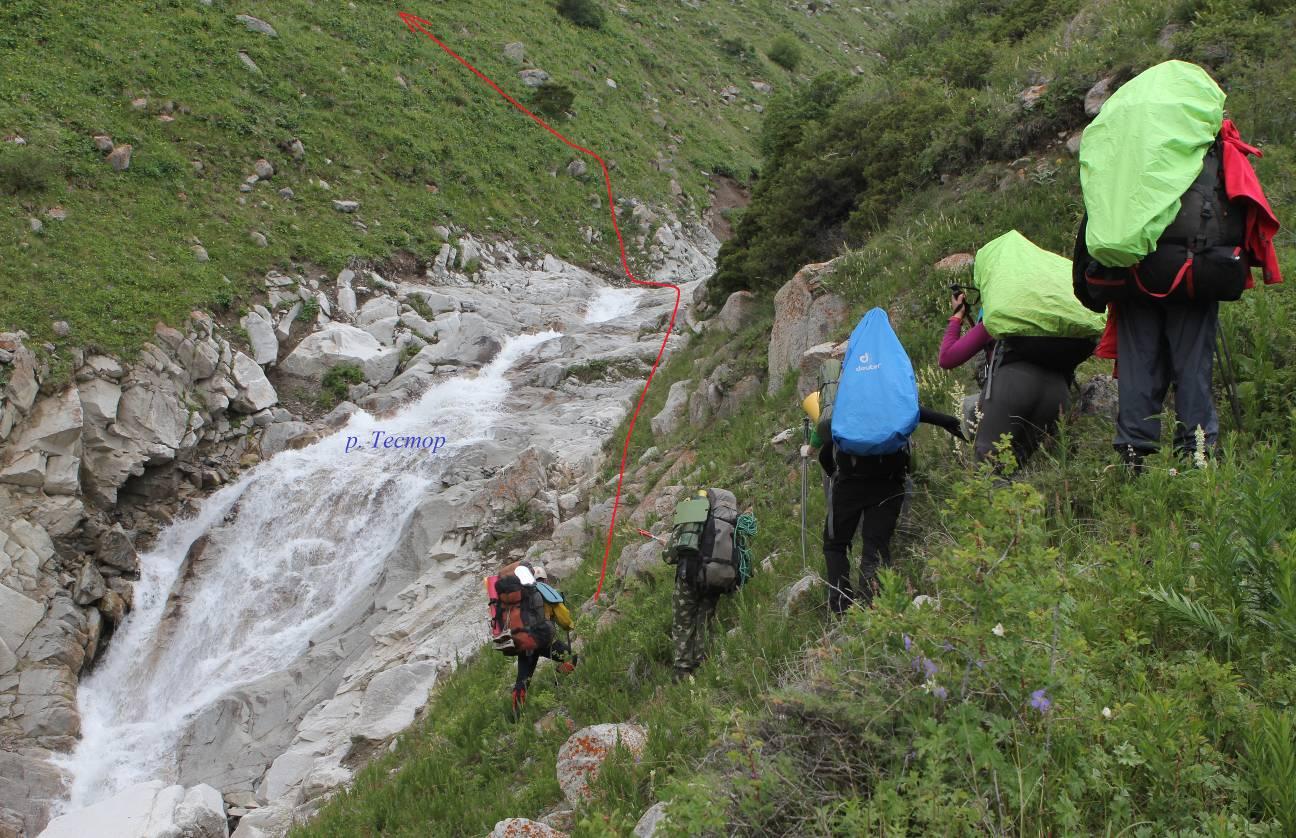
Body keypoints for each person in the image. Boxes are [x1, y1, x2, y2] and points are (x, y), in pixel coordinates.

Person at [938, 291, 1072, 468]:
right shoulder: (1051, 312)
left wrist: (957, 315)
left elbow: (947, 357)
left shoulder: (1000, 315)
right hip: (1059, 394)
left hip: (1014, 385)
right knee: (1027, 467)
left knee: (989, 470)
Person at [509, 564, 576, 712]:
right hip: (544, 641)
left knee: (522, 681)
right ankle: (558, 680)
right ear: (544, 580)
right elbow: (564, 619)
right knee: (572, 658)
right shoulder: (546, 591)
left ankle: (515, 717)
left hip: (524, 643)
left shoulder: (518, 596)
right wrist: (570, 626)